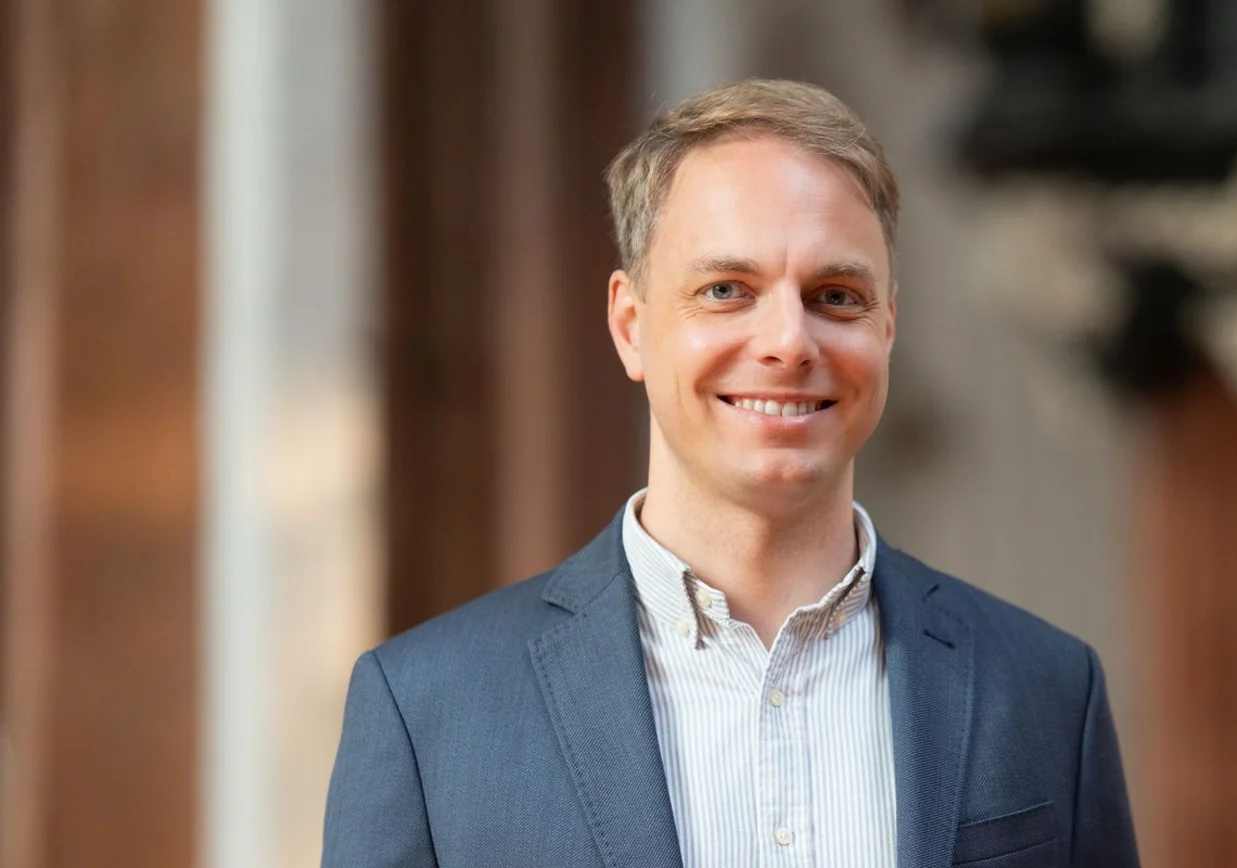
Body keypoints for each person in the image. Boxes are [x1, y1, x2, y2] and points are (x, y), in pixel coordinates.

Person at [322, 79, 1140, 868]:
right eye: (726, 289)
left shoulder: (1045, 691)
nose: (788, 341)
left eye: (836, 296)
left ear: (888, 327)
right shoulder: (427, 713)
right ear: (631, 325)